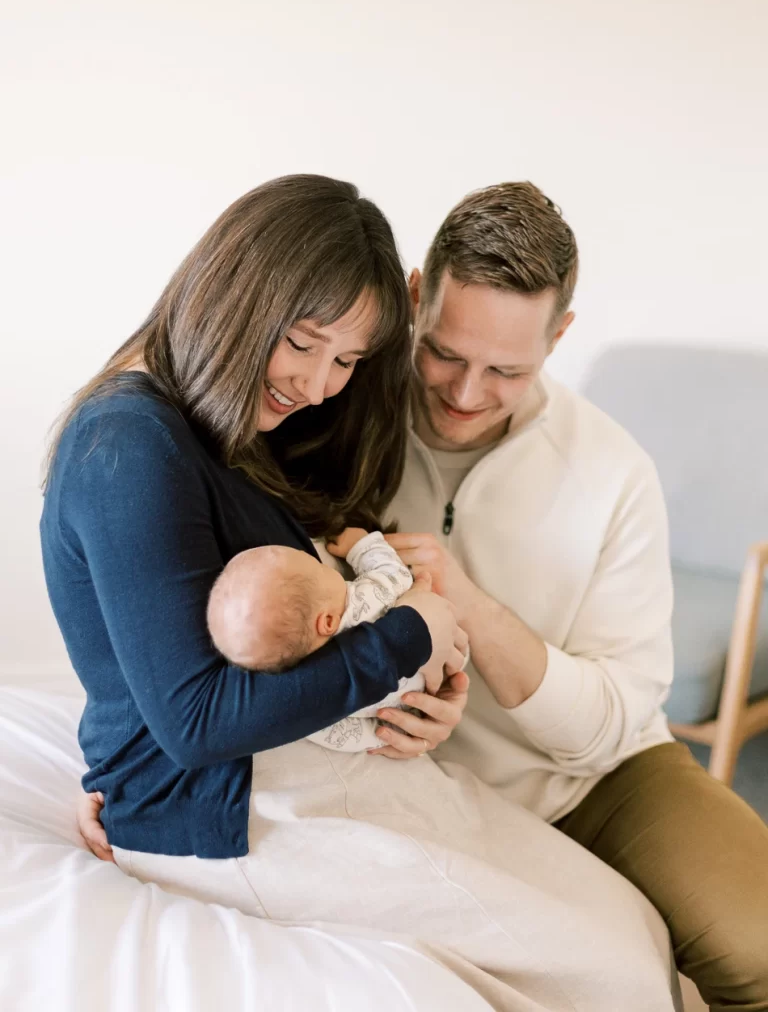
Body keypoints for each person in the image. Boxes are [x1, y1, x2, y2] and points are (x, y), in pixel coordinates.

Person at [51, 174, 678, 1011]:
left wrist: (423, 670)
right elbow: (191, 722)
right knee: (609, 968)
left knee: (629, 928)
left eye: (347, 360)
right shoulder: (129, 445)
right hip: (230, 805)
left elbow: (168, 638)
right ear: (239, 296)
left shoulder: (233, 418)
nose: (319, 384)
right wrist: (411, 633)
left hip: (313, 761)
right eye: (305, 344)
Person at [377, 181, 768, 1011]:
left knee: (761, 942)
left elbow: (608, 728)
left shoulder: (613, 473)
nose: (466, 394)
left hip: (589, 780)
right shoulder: (341, 415)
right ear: (415, 297)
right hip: (398, 779)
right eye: (444, 353)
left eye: (507, 370)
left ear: (560, 336)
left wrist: (471, 607)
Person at [207, 528, 426, 751]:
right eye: (320, 568)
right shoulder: (364, 602)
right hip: (434, 649)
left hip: (415, 706)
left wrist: (387, 735)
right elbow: (395, 573)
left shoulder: (316, 698)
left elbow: (346, 736)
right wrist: (360, 545)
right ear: (327, 621)